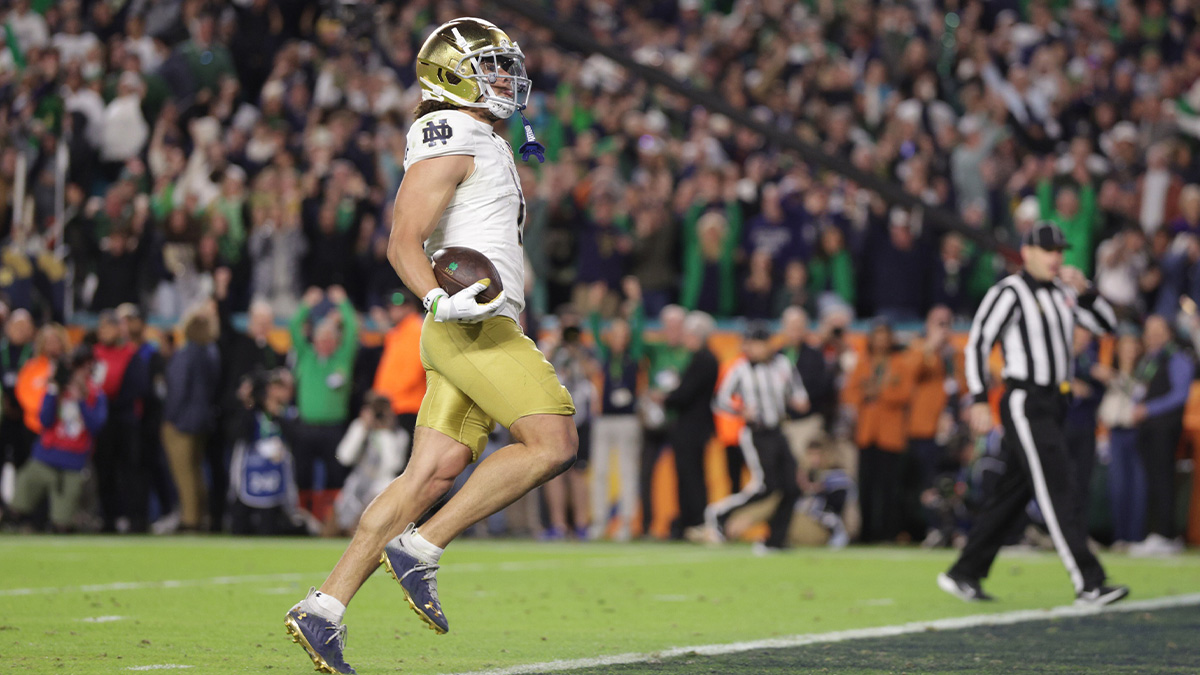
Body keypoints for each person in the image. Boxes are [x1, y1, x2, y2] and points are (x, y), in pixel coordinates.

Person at [286, 19, 577, 675]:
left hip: (468, 327)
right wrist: (436, 295)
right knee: (554, 441)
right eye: (491, 68)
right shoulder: (453, 131)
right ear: (451, 75)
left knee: (430, 473)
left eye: (507, 68)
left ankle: (324, 606)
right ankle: (423, 545)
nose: (506, 80)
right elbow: (401, 238)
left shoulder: (487, 137)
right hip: (472, 327)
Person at [939, 222, 1127, 607]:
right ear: (1027, 253)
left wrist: (1086, 290)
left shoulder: (1063, 292)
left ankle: (965, 571)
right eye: (1048, 250)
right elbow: (978, 342)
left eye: (1060, 250)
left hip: (1056, 403)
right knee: (1059, 487)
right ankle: (1089, 581)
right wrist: (977, 398)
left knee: (1013, 493)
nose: (1056, 257)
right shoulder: (1009, 291)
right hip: (1026, 401)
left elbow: (1108, 325)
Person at [705, 322, 809, 553]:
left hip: (779, 431)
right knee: (766, 486)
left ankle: (776, 540)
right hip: (756, 433)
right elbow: (720, 400)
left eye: (755, 344)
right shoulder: (740, 369)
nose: (750, 348)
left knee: (792, 487)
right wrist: (740, 411)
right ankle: (719, 513)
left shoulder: (783, 364)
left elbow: (798, 392)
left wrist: (798, 402)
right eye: (749, 343)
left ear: (766, 344)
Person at [6, 346, 107, 532]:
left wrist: (82, 401)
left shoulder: (96, 393)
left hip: (73, 461)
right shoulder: (57, 389)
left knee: (62, 523)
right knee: (17, 506)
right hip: (46, 456)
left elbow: (96, 426)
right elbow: (45, 419)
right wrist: (53, 390)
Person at [1127, 315, 1195, 557]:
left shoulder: (1177, 357)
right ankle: (1154, 534)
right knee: (1151, 481)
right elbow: (1139, 389)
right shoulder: (1147, 360)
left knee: (1164, 479)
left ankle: (1167, 535)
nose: (1152, 335)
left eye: (1158, 330)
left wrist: (1148, 409)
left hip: (1165, 428)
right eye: (1149, 330)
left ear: (1169, 333)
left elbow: (1179, 395)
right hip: (1146, 429)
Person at [289, 285, 359, 510]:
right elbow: (293, 328)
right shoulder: (306, 356)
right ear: (315, 340)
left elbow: (352, 331)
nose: (325, 342)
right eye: (321, 337)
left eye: (329, 338)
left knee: (335, 473)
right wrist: (306, 305)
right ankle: (304, 516)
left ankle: (330, 518)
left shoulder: (342, 358)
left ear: (335, 340)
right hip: (306, 426)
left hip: (333, 428)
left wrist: (344, 304)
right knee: (302, 472)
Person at [227, 368, 310, 536]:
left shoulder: (290, 413)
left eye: (281, 387)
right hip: (249, 474)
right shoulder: (252, 413)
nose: (275, 392)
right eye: (272, 387)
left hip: (276, 480)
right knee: (240, 523)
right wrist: (247, 403)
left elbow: (298, 440)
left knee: (270, 526)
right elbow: (237, 434)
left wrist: (277, 415)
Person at [162, 307, 221, 532]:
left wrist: (170, 418)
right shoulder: (212, 353)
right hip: (203, 419)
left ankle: (190, 520)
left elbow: (177, 390)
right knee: (196, 472)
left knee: (184, 473)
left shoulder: (185, 354)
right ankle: (200, 515)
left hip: (182, 421)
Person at [663, 311, 719, 540]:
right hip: (698, 426)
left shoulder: (702, 359)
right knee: (692, 475)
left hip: (691, 427)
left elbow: (685, 394)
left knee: (690, 477)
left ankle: (693, 522)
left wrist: (666, 398)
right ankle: (692, 521)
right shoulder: (708, 358)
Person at [330, 392, 408, 536]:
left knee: (366, 521)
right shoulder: (359, 427)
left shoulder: (399, 435)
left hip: (383, 487)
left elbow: (394, 465)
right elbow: (344, 457)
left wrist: (385, 432)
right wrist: (362, 429)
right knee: (333, 523)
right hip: (357, 485)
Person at [370, 287, 425, 465]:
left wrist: (386, 396)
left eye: (398, 306)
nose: (392, 310)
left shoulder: (416, 329)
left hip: (407, 407)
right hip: (394, 406)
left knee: (403, 463)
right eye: (391, 306)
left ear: (410, 307)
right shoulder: (397, 332)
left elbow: (412, 371)